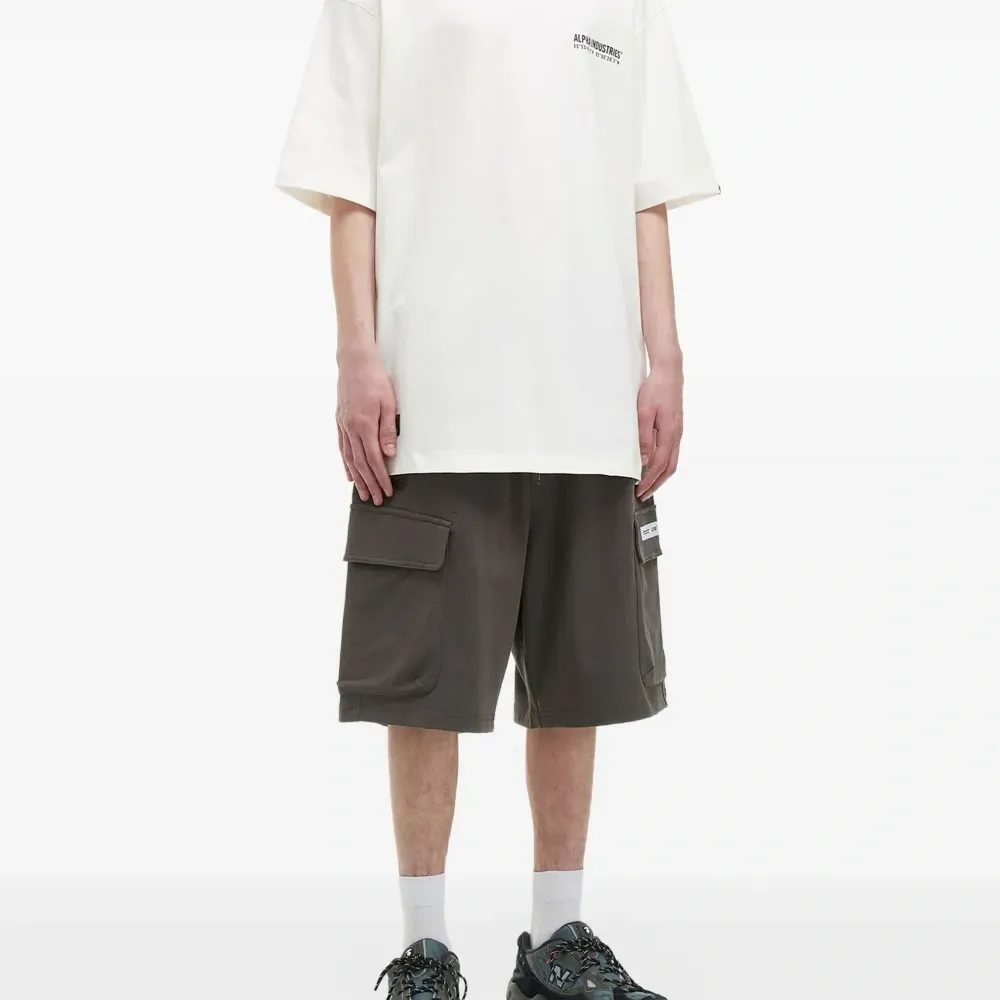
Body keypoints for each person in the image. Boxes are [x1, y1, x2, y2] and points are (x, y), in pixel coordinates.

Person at [276, 1, 718, 996]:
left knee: (578, 677)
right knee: (422, 685)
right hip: (437, 396)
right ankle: (425, 951)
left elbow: (645, 189)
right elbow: (347, 181)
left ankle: (557, 940)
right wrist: (356, 353)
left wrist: (666, 357)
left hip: (587, 394)